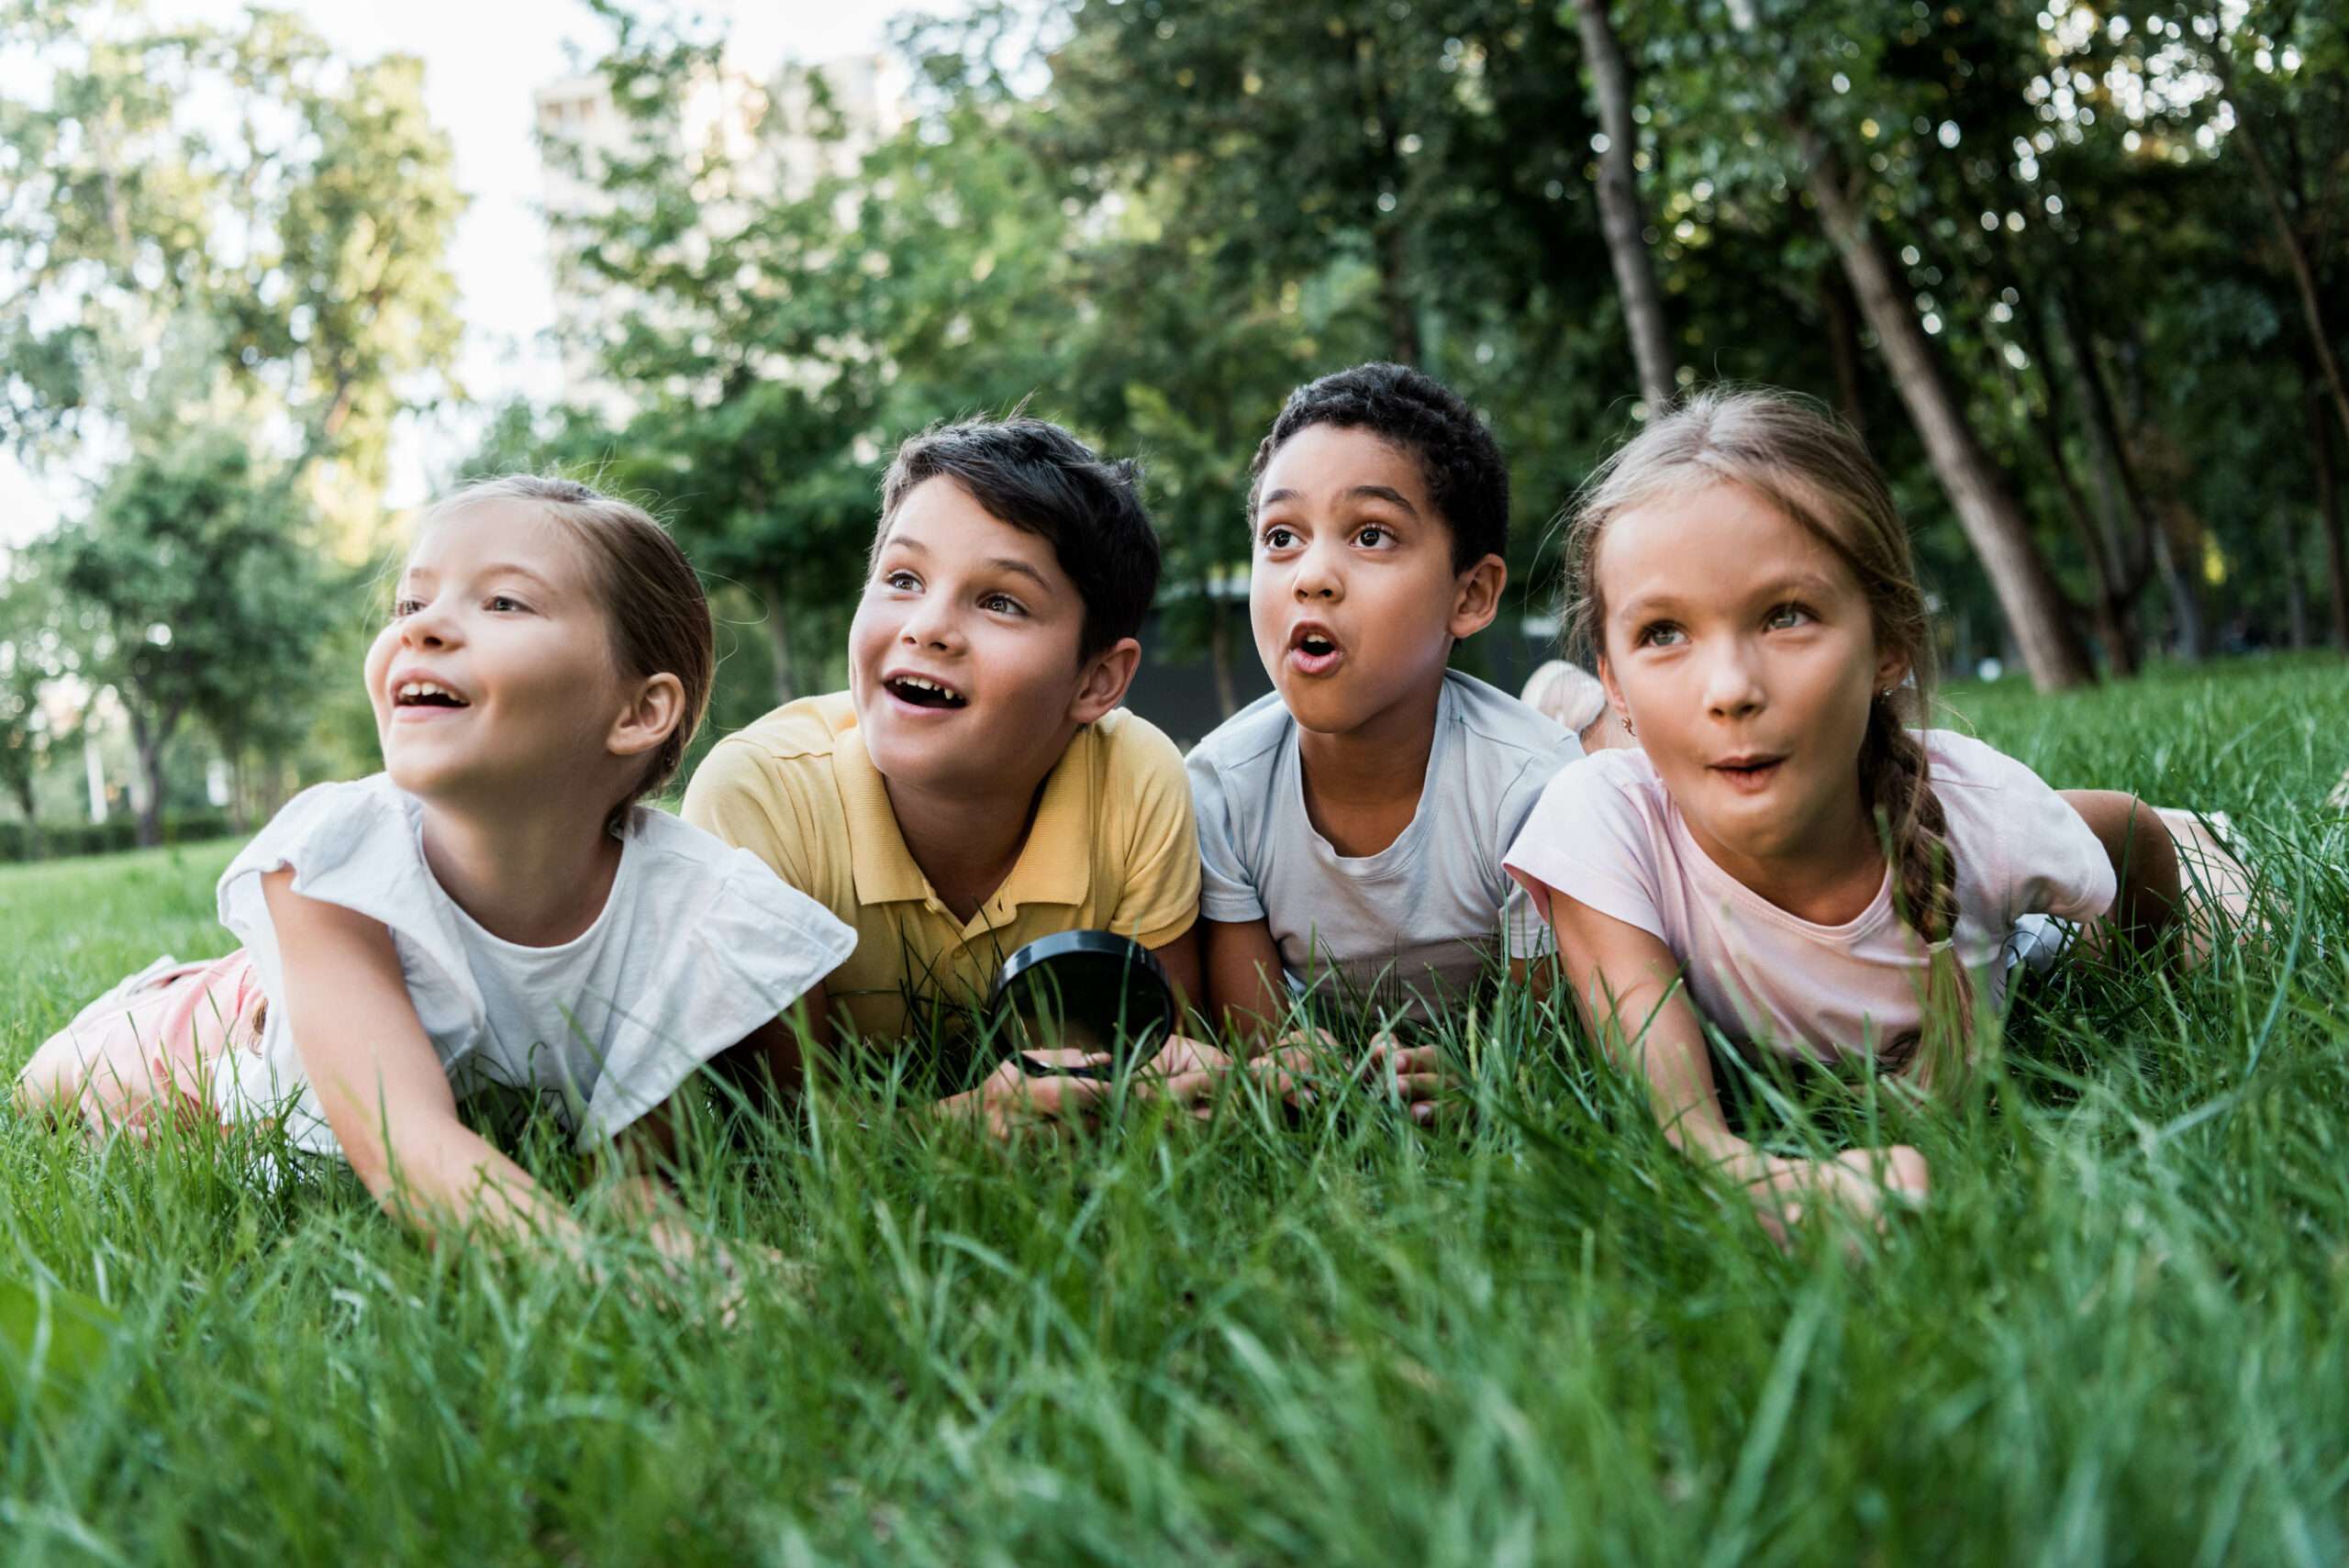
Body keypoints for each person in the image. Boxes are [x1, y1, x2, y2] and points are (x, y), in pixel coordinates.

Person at [17, 476, 853, 1268]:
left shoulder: (690, 910)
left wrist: (697, 1256)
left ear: (638, 711)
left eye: (503, 602)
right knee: (43, 1093)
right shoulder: (334, 859)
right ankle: (141, 1004)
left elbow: (638, 1179)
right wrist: (617, 1273)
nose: (421, 627)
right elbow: (412, 1154)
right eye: (412, 603)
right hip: (225, 1034)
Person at [1502, 389, 2238, 1229]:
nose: (1731, 690)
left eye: (1786, 616)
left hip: (2031, 941)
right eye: (1664, 633)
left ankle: (2208, 834)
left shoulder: (1983, 817)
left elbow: (2132, 833)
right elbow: (1686, 1134)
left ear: (1887, 643)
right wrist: (1757, 1181)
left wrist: (2138, 973)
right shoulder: (1603, 821)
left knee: (2198, 865)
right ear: (1614, 683)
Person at [680, 417, 1204, 1132]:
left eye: (1000, 601)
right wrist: (960, 1124)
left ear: (1098, 679)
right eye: (902, 578)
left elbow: (1164, 1056)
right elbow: (781, 1128)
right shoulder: (760, 797)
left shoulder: (1136, 777)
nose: (928, 626)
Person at [1185, 363, 1583, 1098]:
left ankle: (1575, 704)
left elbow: (1544, 1048)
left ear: (1471, 594)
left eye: (1370, 534)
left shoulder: (1535, 784)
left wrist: (1481, 1084)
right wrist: (1290, 1068)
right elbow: (1258, 1041)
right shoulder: (1221, 788)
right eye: (1281, 535)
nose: (1312, 575)